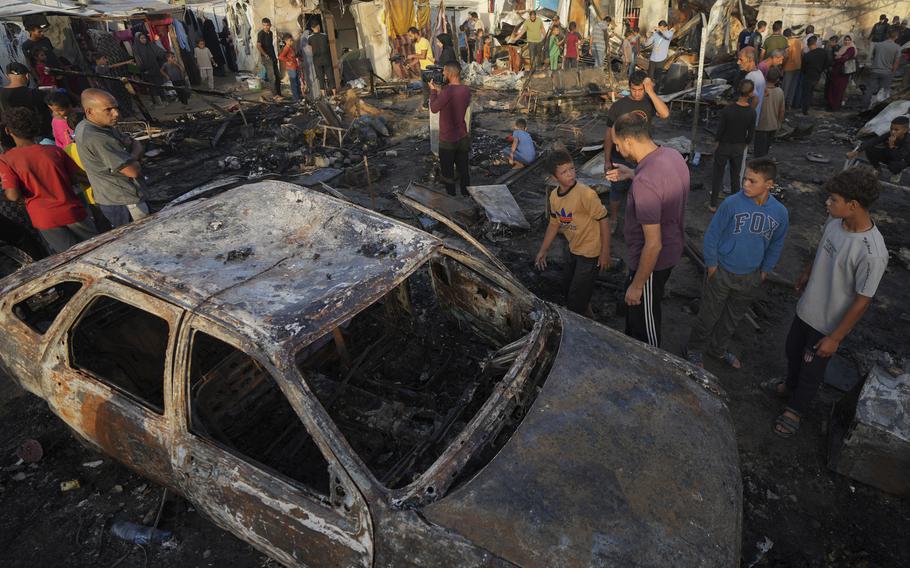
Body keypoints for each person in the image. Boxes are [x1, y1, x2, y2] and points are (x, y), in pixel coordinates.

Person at [764, 167, 888, 438]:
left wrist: (835, 337)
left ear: (853, 205)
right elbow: (822, 247)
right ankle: (789, 383)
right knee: (793, 350)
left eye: (833, 199)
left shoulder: (872, 253)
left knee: (813, 369)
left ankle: (796, 409)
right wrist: (809, 271)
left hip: (827, 324)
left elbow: (862, 300)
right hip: (807, 308)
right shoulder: (834, 222)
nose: (827, 203)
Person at [685, 158, 788, 369]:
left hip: (750, 275)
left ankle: (718, 350)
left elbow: (777, 244)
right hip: (721, 271)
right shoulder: (732, 203)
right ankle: (694, 350)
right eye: (745, 179)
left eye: (752, 181)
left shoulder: (779, 213)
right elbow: (712, 235)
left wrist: (765, 270)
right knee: (709, 315)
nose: (745, 185)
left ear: (769, 184)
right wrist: (712, 265)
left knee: (732, 317)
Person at [606, 112, 689, 347]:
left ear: (629, 142)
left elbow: (653, 244)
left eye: (618, 144)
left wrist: (638, 285)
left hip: (652, 262)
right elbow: (661, 183)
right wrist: (633, 173)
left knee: (646, 324)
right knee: (636, 315)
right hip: (673, 247)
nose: (619, 150)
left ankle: (652, 364)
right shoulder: (672, 155)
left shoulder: (645, 183)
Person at [0, 107, 97, 254]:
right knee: (97, 248)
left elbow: (13, 195)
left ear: (8, 130)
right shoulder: (54, 151)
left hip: (44, 217)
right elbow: (78, 178)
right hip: (72, 210)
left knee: (71, 256)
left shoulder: (6, 160)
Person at [535, 150, 611, 316]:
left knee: (576, 297)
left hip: (591, 253)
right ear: (554, 178)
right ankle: (590, 315)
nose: (570, 174)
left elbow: (604, 220)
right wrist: (543, 250)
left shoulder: (586, 194)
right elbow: (554, 224)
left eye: (571, 169)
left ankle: (581, 325)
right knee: (569, 286)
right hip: (573, 249)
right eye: (564, 172)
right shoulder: (554, 196)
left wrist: (605, 252)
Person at [602, 70, 670, 227]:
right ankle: (613, 219)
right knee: (617, 188)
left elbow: (665, 114)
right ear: (629, 87)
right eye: (634, 89)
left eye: (640, 90)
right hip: (621, 157)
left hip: (643, 157)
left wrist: (651, 92)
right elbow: (608, 135)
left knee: (641, 189)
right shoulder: (619, 106)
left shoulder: (649, 101)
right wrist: (607, 160)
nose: (637, 93)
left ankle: (638, 221)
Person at [74, 89, 149, 228]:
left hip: (112, 197)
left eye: (116, 107)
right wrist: (136, 152)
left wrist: (132, 149)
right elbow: (133, 170)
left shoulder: (93, 125)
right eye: (108, 109)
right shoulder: (97, 137)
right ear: (89, 111)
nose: (116, 113)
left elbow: (128, 141)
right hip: (123, 200)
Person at [710, 79, 756, 210]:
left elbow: (720, 130)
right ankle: (736, 205)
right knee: (735, 176)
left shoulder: (728, 110)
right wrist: (745, 143)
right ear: (750, 93)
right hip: (738, 147)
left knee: (717, 175)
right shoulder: (752, 112)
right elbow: (751, 133)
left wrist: (716, 142)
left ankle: (713, 204)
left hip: (724, 146)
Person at [430, 62, 471, 197]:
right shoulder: (466, 89)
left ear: (450, 73)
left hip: (448, 139)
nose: (443, 74)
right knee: (463, 169)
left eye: (444, 72)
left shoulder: (447, 91)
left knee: (448, 173)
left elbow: (434, 108)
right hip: (463, 136)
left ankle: (452, 198)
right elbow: (456, 100)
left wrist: (433, 91)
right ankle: (466, 195)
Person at [0, 62, 53, 147]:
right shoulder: (36, 94)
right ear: (27, 76)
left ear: (7, 76)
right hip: (37, 140)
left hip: (10, 143)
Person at [848, 116, 910, 182]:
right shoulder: (890, 134)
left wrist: (891, 145)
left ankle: (897, 173)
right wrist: (857, 151)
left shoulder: (908, 141)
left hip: (902, 160)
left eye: (896, 130)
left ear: (906, 130)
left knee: (894, 166)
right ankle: (877, 169)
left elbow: (899, 157)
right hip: (890, 155)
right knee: (870, 149)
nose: (893, 132)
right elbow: (874, 141)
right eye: (891, 129)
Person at [863, 29, 901, 109]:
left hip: (875, 70)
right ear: (896, 37)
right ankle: (877, 109)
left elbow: (872, 57)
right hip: (887, 72)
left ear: (887, 35)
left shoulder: (877, 45)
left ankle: (865, 107)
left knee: (869, 90)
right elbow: (896, 63)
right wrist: (892, 73)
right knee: (883, 91)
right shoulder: (897, 48)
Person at [754, 69, 784, 158]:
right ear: (777, 80)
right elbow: (781, 111)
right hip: (773, 125)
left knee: (759, 152)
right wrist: (779, 124)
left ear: (765, 78)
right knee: (765, 150)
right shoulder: (780, 92)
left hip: (760, 126)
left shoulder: (760, 90)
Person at [132, 32, 166, 106]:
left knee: (159, 83)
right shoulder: (136, 48)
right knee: (151, 86)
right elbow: (138, 60)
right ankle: (158, 102)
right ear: (138, 40)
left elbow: (159, 51)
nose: (144, 40)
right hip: (146, 70)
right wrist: (143, 69)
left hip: (155, 68)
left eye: (144, 38)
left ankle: (164, 99)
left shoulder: (150, 45)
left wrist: (165, 54)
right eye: (142, 38)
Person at [825, 35, 856, 110]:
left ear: (851, 41)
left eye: (848, 40)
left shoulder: (851, 49)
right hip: (836, 71)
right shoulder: (842, 47)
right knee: (833, 88)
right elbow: (839, 57)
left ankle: (834, 106)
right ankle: (830, 104)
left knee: (839, 89)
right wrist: (839, 57)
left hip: (842, 72)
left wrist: (838, 57)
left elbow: (844, 58)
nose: (846, 41)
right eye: (845, 40)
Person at [407, 27, 434, 110]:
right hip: (423, 68)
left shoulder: (424, 41)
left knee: (432, 87)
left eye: (411, 35)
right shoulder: (416, 44)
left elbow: (423, 56)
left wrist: (412, 56)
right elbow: (419, 58)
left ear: (416, 34)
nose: (410, 38)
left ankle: (435, 103)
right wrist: (410, 64)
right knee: (425, 88)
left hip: (429, 68)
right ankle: (426, 105)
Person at [800, 36, 829, 114]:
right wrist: (821, 69)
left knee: (806, 92)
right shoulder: (823, 52)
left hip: (808, 75)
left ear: (808, 45)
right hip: (817, 74)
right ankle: (807, 107)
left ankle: (805, 109)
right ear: (815, 43)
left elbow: (803, 68)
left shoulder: (807, 56)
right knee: (811, 91)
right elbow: (827, 63)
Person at [644, 20, 673, 89]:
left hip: (661, 58)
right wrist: (649, 35)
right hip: (653, 58)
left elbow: (667, 36)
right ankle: (648, 90)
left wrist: (660, 30)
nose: (661, 29)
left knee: (657, 77)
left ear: (666, 27)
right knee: (649, 76)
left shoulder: (669, 33)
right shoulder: (656, 34)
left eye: (662, 28)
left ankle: (656, 91)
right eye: (660, 27)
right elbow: (646, 44)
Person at [309, 21, 336, 98]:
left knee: (320, 77)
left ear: (312, 28)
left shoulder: (310, 38)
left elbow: (310, 48)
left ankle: (324, 96)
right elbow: (328, 44)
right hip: (326, 59)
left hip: (317, 60)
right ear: (319, 27)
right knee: (330, 76)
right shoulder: (324, 36)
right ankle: (334, 94)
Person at [257, 18, 281, 95]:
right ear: (262, 25)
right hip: (266, 58)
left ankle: (279, 94)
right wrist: (265, 55)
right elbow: (258, 46)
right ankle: (275, 95)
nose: (266, 27)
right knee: (272, 77)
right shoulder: (261, 34)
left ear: (270, 25)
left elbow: (270, 45)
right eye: (264, 25)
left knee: (277, 76)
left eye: (267, 25)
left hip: (273, 56)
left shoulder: (270, 33)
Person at [278, 33, 301, 102]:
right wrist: (288, 61)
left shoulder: (291, 47)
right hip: (291, 68)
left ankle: (298, 97)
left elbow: (293, 56)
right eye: (290, 40)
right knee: (294, 83)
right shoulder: (286, 48)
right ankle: (296, 98)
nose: (292, 42)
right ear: (286, 41)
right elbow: (280, 57)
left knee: (297, 83)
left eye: (292, 40)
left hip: (295, 66)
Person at [782, 29, 802, 108]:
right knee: (793, 87)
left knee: (786, 86)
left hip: (789, 66)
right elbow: (802, 53)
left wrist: (782, 66)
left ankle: (782, 104)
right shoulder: (798, 41)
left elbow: (786, 56)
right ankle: (789, 105)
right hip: (798, 66)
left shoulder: (787, 42)